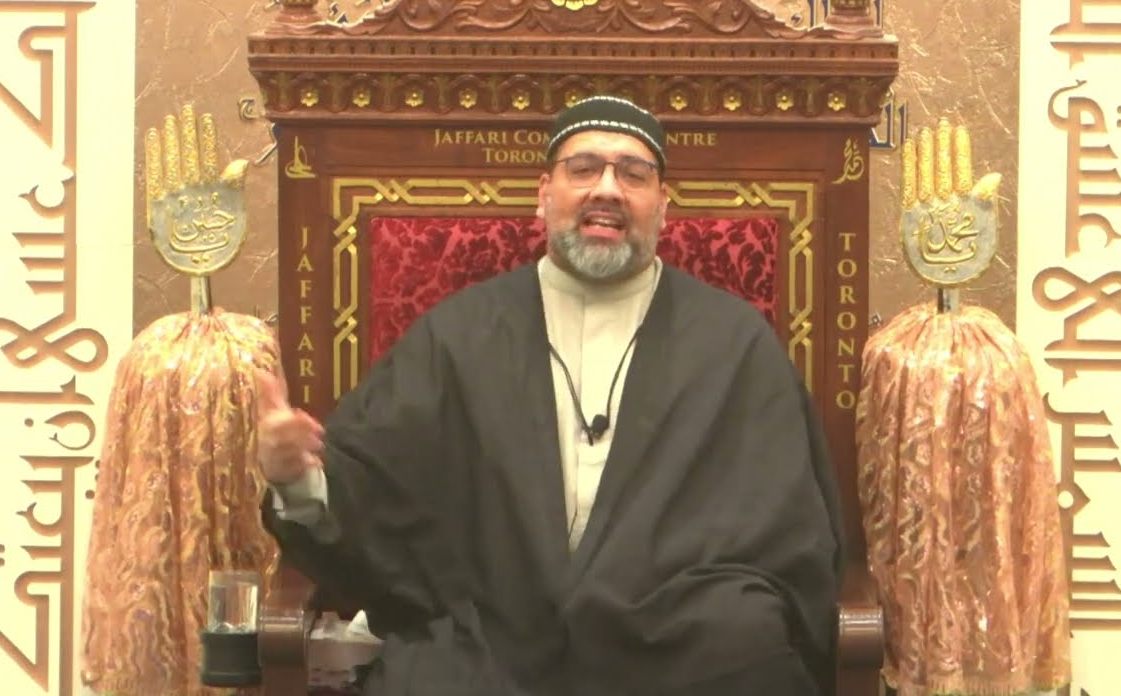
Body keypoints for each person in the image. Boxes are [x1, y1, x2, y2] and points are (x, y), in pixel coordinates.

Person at [257, 95, 845, 695]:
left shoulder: (733, 342)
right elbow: (373, 488)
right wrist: (298, 477)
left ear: (663, 206)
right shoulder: (460, 334)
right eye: (583, 169)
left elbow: (787, 533)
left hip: (677, 641)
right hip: (494, 637)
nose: (607, 189)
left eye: (634, 174)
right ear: (544, 194)